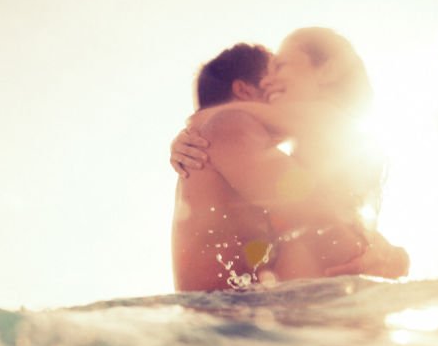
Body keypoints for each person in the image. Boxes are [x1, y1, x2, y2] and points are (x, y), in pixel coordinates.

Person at [171, 29, 408, 292]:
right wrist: (381, 254)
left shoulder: (316, 145)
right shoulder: (227, 129)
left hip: (245, 321)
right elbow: (318, 225)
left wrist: (392, 256)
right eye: (268, 75)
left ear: (326, 72)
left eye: (280, 68)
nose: (272, 83)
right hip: (236, 323)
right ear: (243, 89)